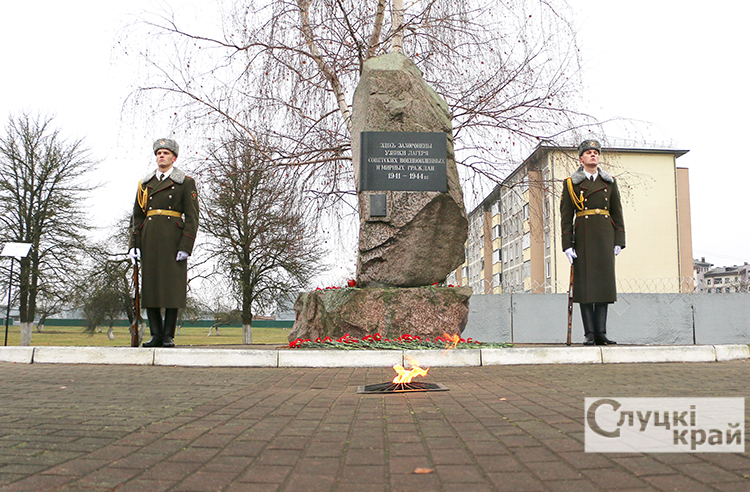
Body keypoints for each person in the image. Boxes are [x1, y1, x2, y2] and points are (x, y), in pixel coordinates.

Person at [128, 138, 199, 347]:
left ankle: (168, 336)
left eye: (166, 153)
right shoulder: (145, 183)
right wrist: (134, 244)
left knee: (171, 289)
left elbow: (192, 217)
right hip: (150, 238)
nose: (162, 156)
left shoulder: (185, 182)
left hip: (173, 240)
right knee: (150, 288)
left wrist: (186, 246)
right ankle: (155, 335)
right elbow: (137, 216)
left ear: (174, 157)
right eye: (159, 153)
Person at [560, 139, 625, 345]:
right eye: (588, 152)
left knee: (604, 286)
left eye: (595, 152)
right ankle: (589, 334)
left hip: (605, 236)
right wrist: (567, 244)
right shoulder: (571, 183)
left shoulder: (609, 182)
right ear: (581, 158)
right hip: (583, 237)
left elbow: (617, 212)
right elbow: (566, 215)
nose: (593, 155)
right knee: (586, 288)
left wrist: (619, 240)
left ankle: (601, 333)